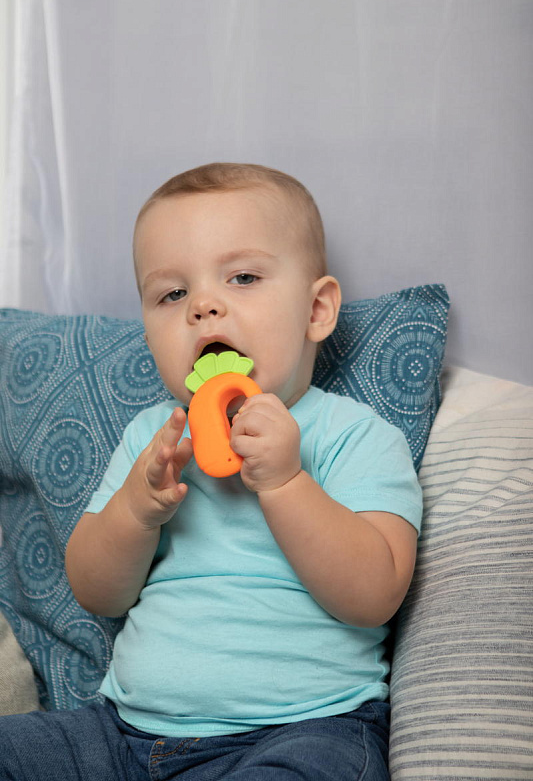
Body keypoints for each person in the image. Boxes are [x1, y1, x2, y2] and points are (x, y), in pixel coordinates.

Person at [0, 163, 422, 780]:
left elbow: (374, 595)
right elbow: (96, 591)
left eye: (243, 277)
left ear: (316, 309)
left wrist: (286, 483)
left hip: (302, 730)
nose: (203, 305)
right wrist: (137, 510)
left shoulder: (353, 434)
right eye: (172, 294)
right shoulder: (155, 438)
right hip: (121, 734)